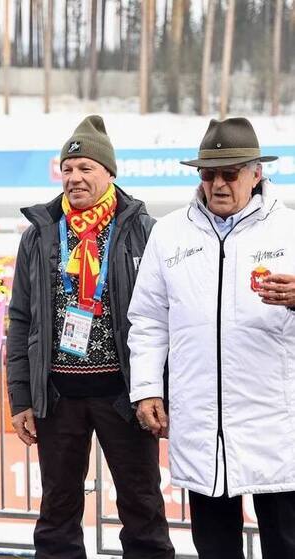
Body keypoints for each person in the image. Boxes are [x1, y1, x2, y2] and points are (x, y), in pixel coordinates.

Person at [7, 115, 174, 559]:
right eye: (68, 168)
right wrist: (22, 397)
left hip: (124, 394)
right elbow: (21, 318)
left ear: (109, 173)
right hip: (58, 396)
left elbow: (164, 317)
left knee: (142, 507)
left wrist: (159, 391)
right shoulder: (39, 234)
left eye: (86, 168)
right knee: (57, 512)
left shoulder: (143, 230)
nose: (74, 178)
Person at [129, 117, 295, 559]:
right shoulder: (170, 233)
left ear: (256, 173)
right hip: (202, 424)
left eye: (230, 173)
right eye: (208, 174)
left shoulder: (289, 229)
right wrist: (146, 388)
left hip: (273, 423)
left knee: (286, 542)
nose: (218, 184)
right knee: (215, 547)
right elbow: (147, 320)